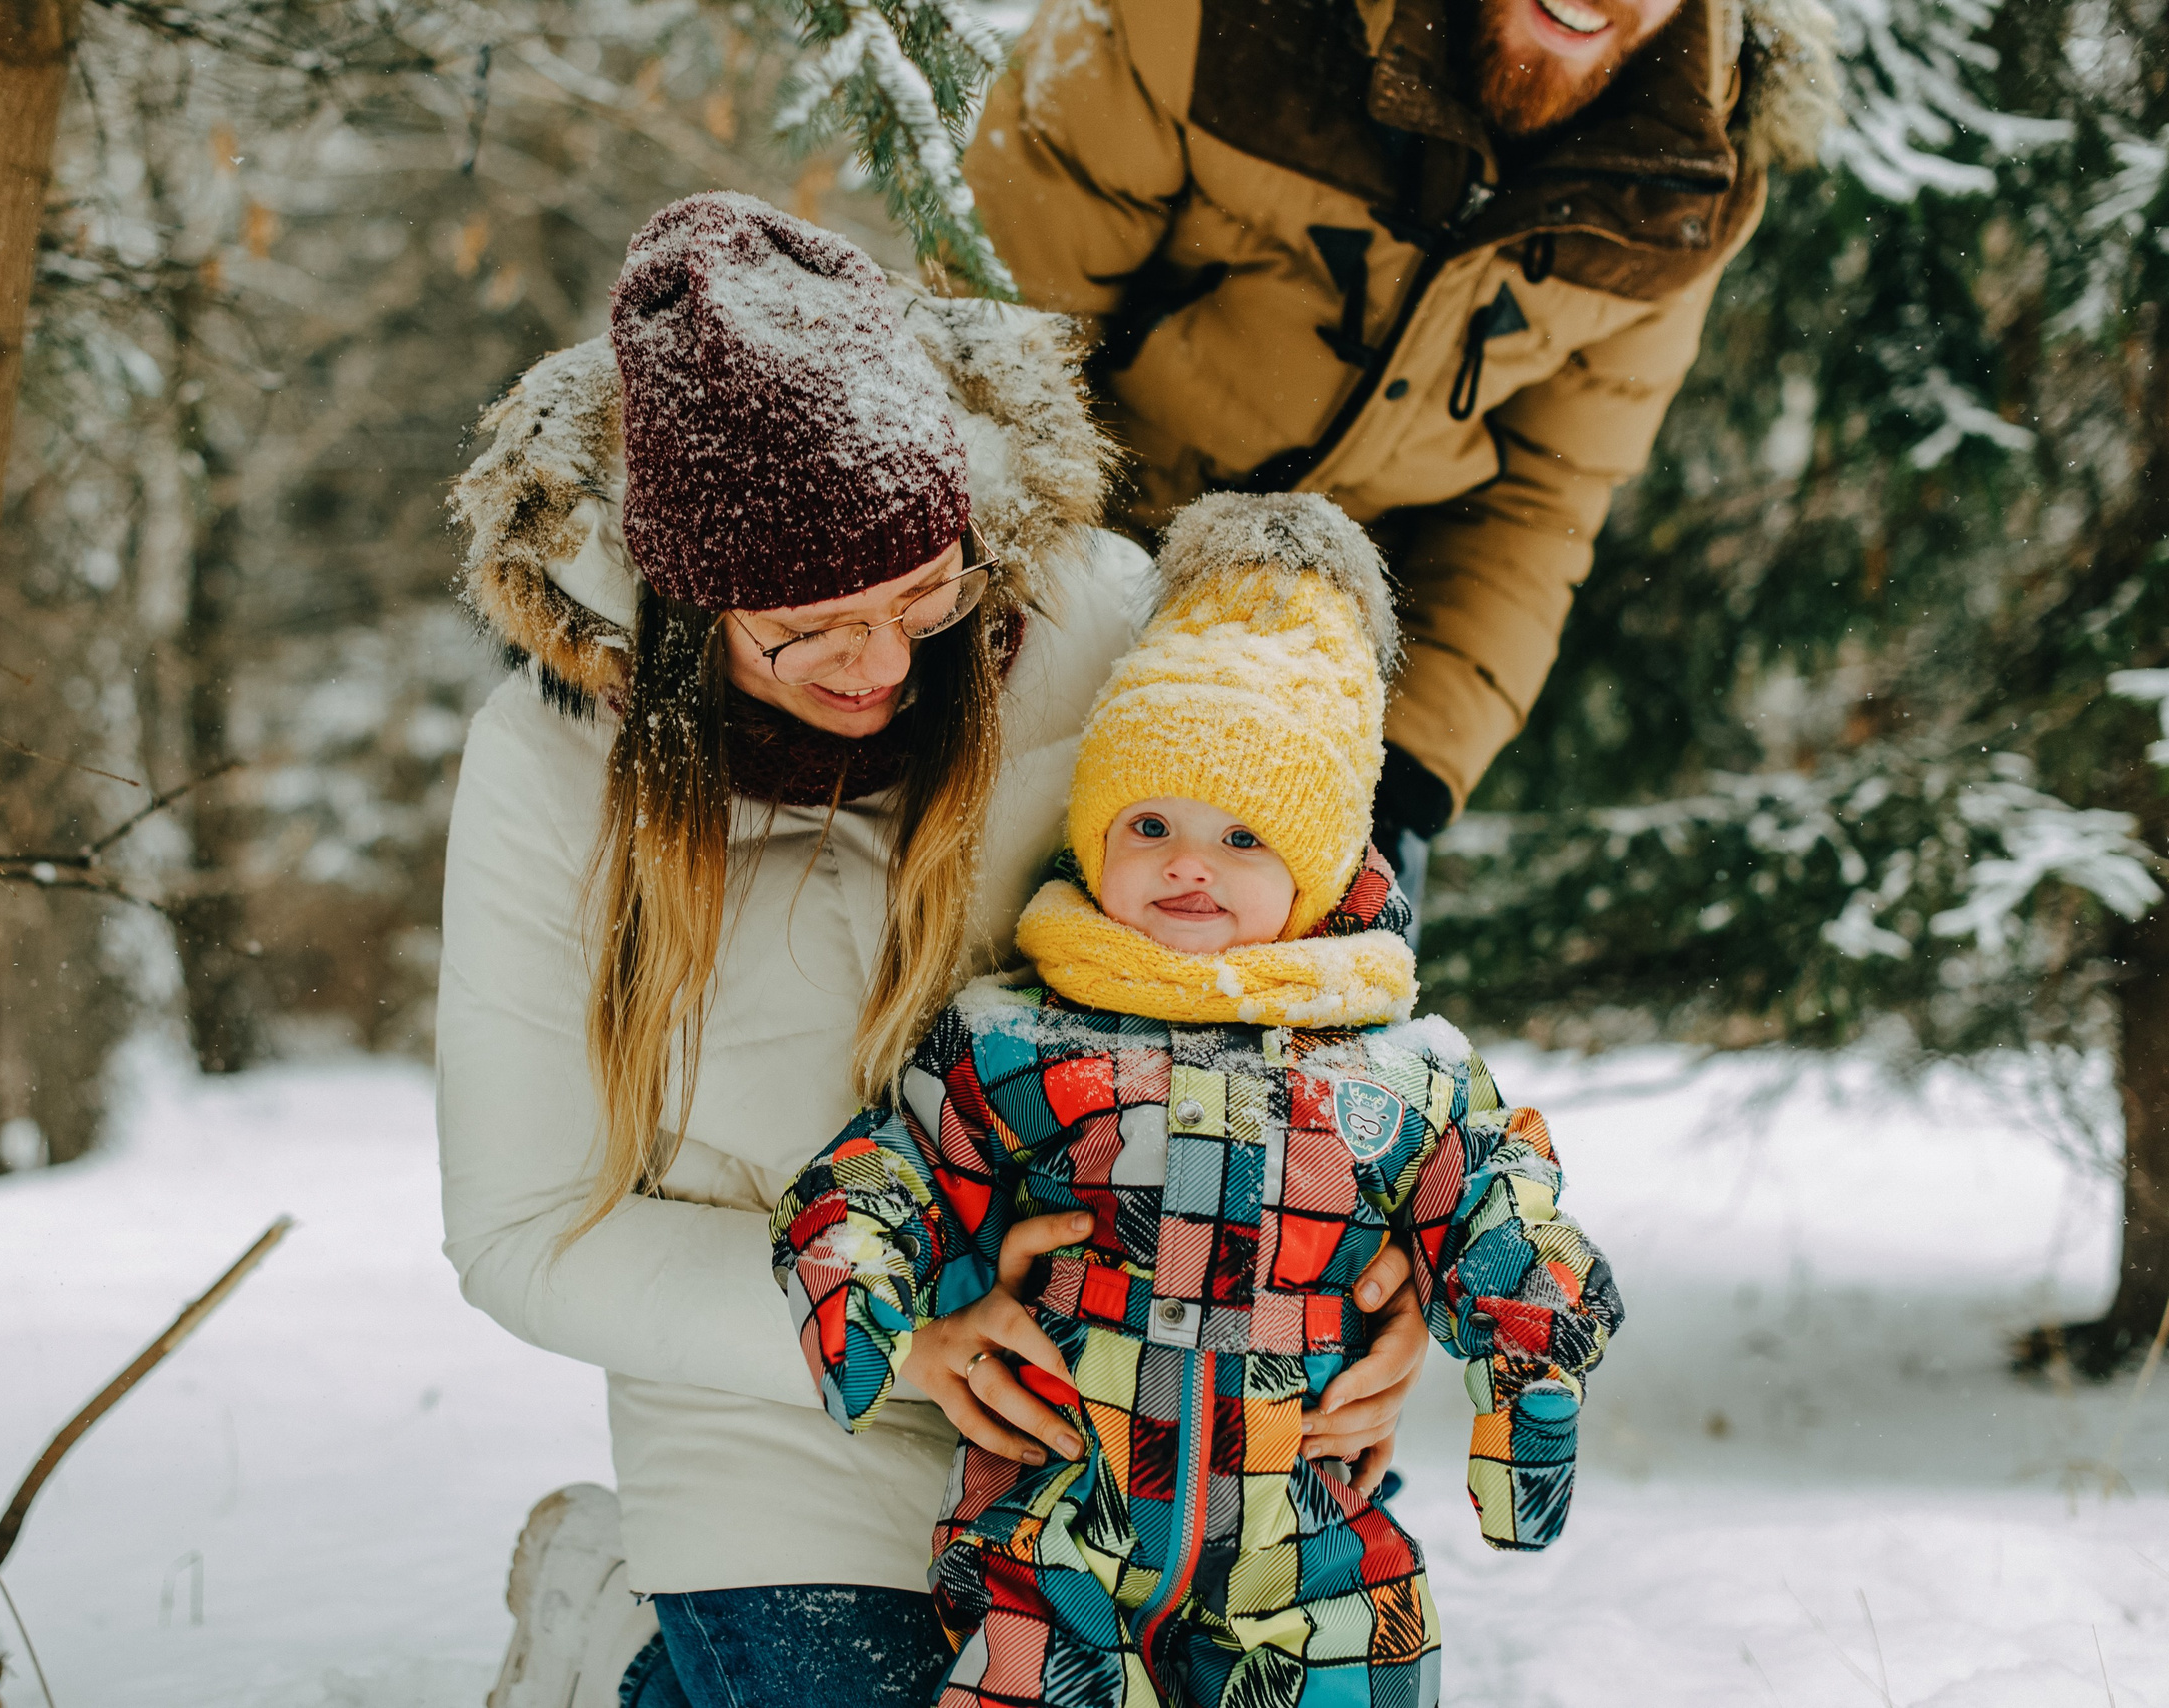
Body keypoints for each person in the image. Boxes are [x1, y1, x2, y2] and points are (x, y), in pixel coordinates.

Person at [438, 195, 1433, 1708]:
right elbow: (526, 1234)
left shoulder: (1088, 618)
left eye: (922, 597)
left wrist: (1397, 1262)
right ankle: (625, 1645)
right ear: (692, 606)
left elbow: (1312, 941)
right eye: (810, 629)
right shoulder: (552, 763)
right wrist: (897, 1340)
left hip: (1141, 1363)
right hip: (788, 1391)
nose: (884, 664)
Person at [770, 491, 1623, 1706]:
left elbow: (1504, 1206)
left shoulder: (1399, 1070)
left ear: (1322, 864)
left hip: (1307, 1536)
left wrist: (1527, 1363)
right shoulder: (1018, 1038)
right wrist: (855, 1274)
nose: (1186, 862)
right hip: (1060, 1526)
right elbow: (888, 1163)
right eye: (1152, 821)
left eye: (1243, 837)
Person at [962, 0, 1837, 891]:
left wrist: (1405, 764)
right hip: (1073, 568)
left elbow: (1542, 497)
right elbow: (998, 336)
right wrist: (995, 626)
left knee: (1320, 994)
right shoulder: (1201, 21)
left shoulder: (1689, 172)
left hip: (1328, 658)